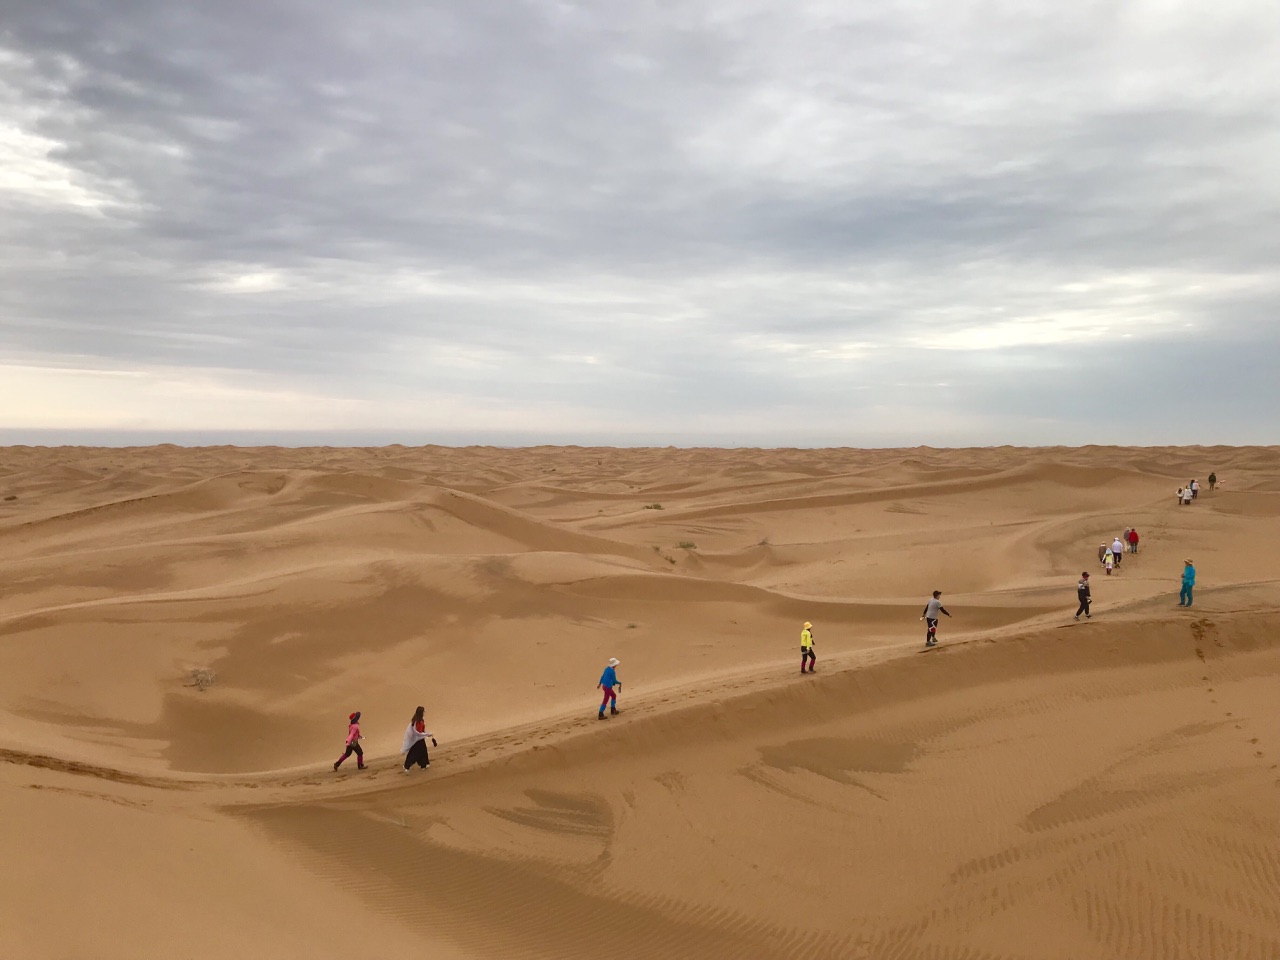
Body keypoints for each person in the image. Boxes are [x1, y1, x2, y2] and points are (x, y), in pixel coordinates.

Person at [400, 706, 436, 773]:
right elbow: (418, 733)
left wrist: (425, 734)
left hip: (419, 739)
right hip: (417, 740)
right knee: (415, 753)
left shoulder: (417, 720)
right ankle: (407, 766)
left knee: (423, 751)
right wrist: (427, 734)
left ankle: (424, 764)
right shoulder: (418, 721)